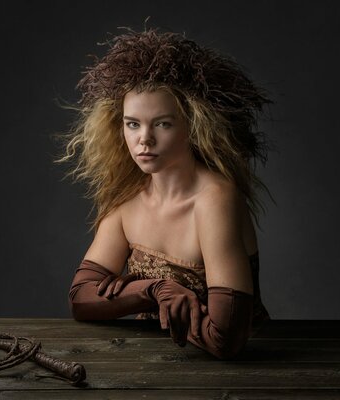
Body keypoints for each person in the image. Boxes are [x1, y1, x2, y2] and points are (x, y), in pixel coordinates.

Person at [58, 28, 271, 359]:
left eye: (162, 124)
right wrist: (155, 290)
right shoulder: (126, 201)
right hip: (152, 363)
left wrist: (126, 295)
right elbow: (80, 300)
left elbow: (225, 338)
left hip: (238, 376)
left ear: (193, 125)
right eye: (132, 124)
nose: (144, 139)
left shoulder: (215, 198)